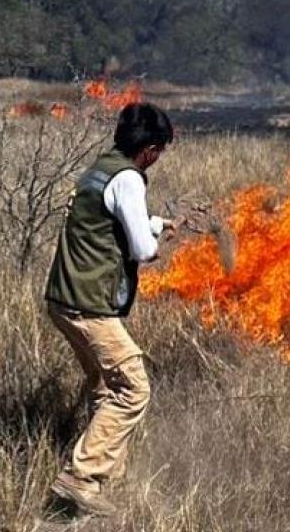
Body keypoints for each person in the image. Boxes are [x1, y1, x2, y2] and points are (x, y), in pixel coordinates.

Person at [43, 102, 176, 517]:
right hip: (89, 305)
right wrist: (154, 240)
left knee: (104, 386)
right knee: (133, 389)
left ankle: (103, 484)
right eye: (160, 151)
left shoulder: (101, 168)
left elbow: (111, 221)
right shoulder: (129, 179)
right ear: (150, 150)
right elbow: (142, 249)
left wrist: (155, 222)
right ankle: (80, 479)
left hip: (63, 298)